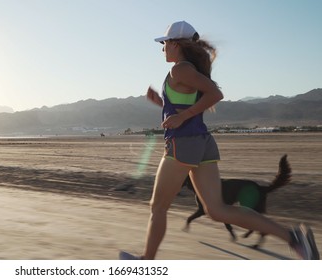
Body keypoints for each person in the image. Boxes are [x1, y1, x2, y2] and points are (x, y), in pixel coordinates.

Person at [119, 20, 319, 260]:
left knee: (158, 207)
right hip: (201, 144)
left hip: (182, 146)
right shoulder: (188, 69)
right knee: (217, 210)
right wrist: (162, 104)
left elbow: (215, 94)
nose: (162, 49)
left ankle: (145, 264)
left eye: (163, 44)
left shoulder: (180, 69)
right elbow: (187, 107)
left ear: (174, 44)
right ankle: (294, 239)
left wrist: (181, 115)